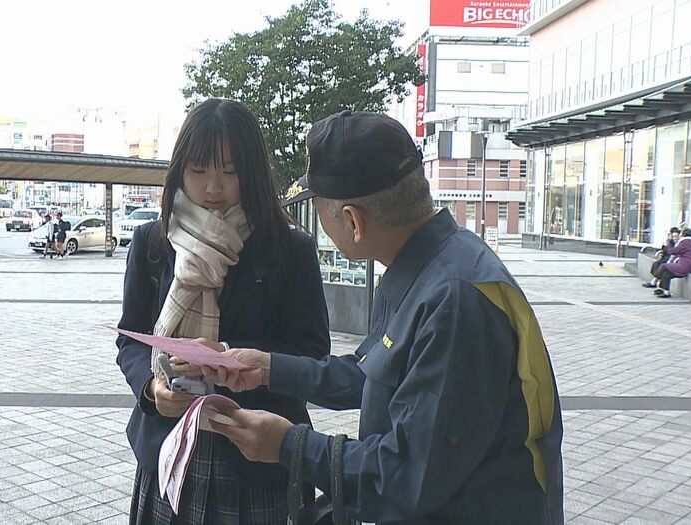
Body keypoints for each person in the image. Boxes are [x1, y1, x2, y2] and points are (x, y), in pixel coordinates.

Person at [202, 111, 564, 524]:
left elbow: (405, 473)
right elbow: (367, 374)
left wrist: (288, 445)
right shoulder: (423, 267)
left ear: (354, 221)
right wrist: (269, 369)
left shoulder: (454, 302)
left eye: (319, 208)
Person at [116, 98, 330, 524]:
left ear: (251, 172)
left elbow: (311, 354)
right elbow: (130, 338)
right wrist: (152, 391)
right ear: (180, 171)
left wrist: (229, 356)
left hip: (258, 457)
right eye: (199, 170)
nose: (213, 188)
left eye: (229, 171)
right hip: (172, 453)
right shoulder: (154, 245)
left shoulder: (288, 249)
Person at [651, 227, 691, 298]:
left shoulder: (685, 242)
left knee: (664, 266)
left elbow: (673, 251)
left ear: (684, 234)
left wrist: (668, 246)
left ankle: (654, 281)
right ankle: (665, 291)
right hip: (690, 267)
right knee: (666, 273)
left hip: (685, 267)